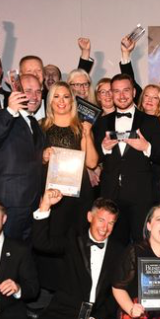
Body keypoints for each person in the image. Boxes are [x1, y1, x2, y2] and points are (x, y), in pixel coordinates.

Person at [93, 74, 160, 243]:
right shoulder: (101, 123)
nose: (121, 96)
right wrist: (104, 149)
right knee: (113, 246)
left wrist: (146, 147)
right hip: (110, 195)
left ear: (134, 92)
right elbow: (93, 159)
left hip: (140, 196)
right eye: (116, 91)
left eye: (126, 90)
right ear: (111, 94)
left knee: (142, 244)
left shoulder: (150, 121)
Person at [38, 82, 99, 288]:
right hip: (53, 194)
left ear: (72, 101)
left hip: (79, 194)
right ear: (50, 101)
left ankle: (77, 284)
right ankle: (54, 288)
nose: (61, 101)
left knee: (77, 239)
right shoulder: (40, 126)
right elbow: (29, 161)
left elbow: (91, 162)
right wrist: (42, 156)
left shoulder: (80, 126)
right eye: (56, 97)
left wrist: (88, 134)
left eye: (66, 97)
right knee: (53, 238)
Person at [0, 74, 48, 241]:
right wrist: (10, 110)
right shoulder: (1, 116)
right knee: (5, 256)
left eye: (38, 91)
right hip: (9, 202)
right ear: (17, 92)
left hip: (32, 203)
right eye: (28, 91)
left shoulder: (36, 125)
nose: (34, 96)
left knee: (23, 257)